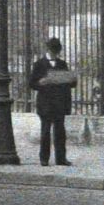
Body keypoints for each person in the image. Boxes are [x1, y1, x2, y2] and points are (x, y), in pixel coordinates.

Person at [28, 37, 77, 167]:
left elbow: (71, 83)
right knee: (45, 131)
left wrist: (71, 78)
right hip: (45, 103)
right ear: (48, 49)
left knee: (60, 132)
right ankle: (44, 159)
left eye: (57, 51)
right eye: (53, 50)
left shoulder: (62, 64)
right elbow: (31, 83)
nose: (55, 53)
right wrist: (40, 83)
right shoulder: (39, 64)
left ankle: (61, 159)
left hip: (59, 103)